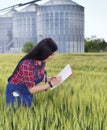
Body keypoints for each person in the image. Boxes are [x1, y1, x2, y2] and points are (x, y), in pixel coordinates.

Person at [6, 38, 61, 107]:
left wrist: (50, 79)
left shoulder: (42, 61)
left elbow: (38, 76)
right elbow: (32, 89)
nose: (52, 57)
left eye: (54, 54)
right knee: (15, 114)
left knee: (26, 113)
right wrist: (51, 84)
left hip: (27, 90)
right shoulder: (27, 64)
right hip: (16, 91)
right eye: (51, 54)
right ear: (44, 53)